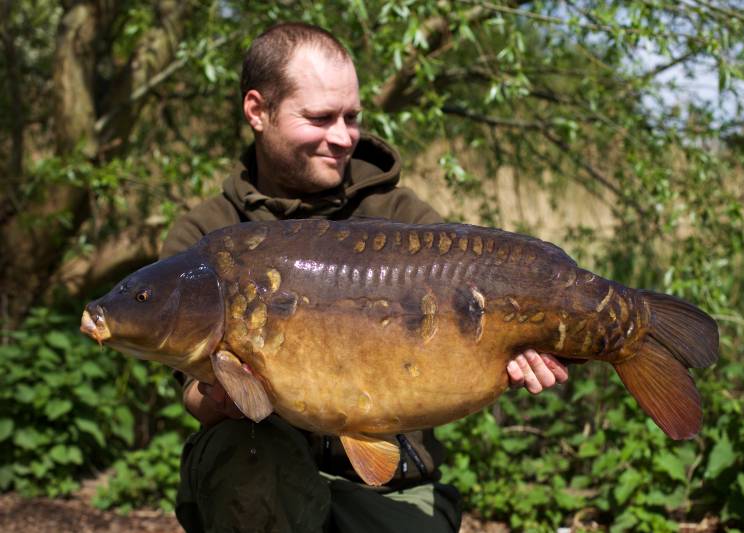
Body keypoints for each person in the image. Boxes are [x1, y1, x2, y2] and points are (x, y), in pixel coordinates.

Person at [161, 22, 569, 533]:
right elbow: (192, 395)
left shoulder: (401, 217)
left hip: (392, 479)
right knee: (246, 452)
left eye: (351, 117)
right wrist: (224, 393)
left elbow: (470, 329)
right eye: (320, 118)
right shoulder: (206, 235)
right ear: (257, 111)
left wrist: (513, 353)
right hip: (265, 474)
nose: (342, 137)